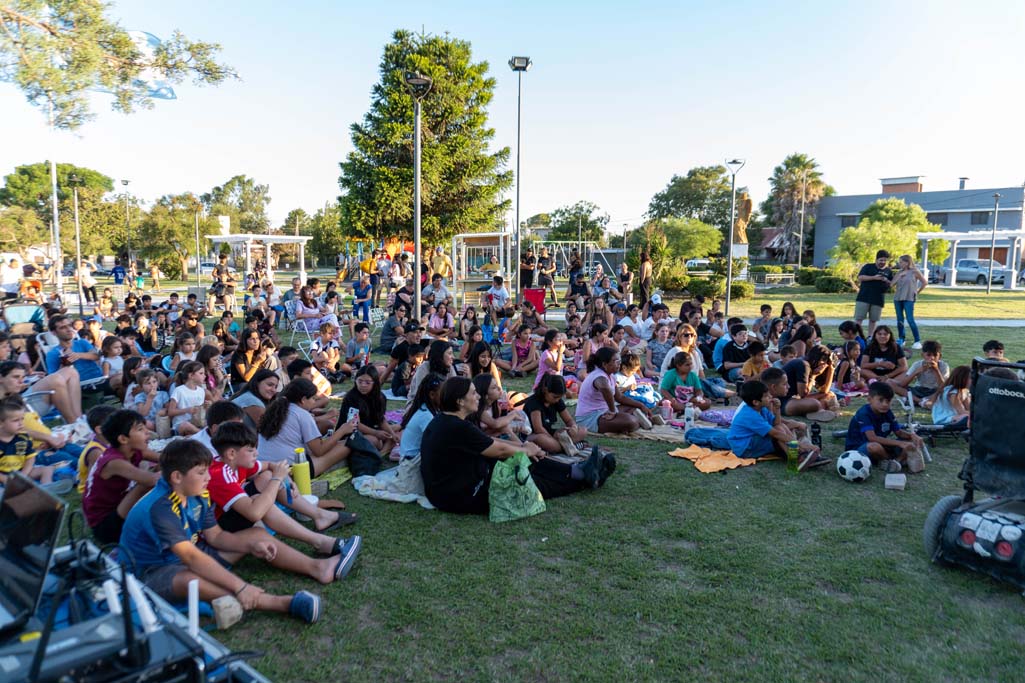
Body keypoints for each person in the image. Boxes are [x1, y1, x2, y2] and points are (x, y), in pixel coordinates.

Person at [119, 439, 335, 628]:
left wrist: (249, 546)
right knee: (189, 581)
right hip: (150, 572)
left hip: (191, 554)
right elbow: (191, 557)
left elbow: (216, 536)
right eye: (201, 473)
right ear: (177, 476)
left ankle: (317, 567)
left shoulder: (198, 493)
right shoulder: (160, 508)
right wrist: (240, 587)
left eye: (207, 471)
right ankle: (277, 603)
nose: (207, 478)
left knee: (256, 536)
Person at [419, 377, 615, 514]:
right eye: (473, 393)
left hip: (455, 486)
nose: (478, 396)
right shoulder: (457, 427)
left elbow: (491, 442)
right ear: (460, 401)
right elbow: (499, 450)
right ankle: (582, 479)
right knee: (528, 482)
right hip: (458, 495)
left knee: (521, 460)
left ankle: (577, 471)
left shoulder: (448, 421)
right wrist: (525, 450)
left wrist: (524, 448)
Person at [208, 422, 357, 551]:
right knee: (261, 500)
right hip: (218, 530)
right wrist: (278, 478)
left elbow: (269, 465)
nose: (256, 453)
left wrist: (288, 481)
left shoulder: (234, 462)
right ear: (231, 453)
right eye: (251, 450)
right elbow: (255, 513)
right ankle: (318, 540)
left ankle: (320, 516)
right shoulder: (220, 474)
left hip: (232, 514)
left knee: (266, 477)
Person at [82, 409, 161, 543]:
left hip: (120, 506)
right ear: (123, 439)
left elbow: (165, 458)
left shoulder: (135, 451)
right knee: (145, 485)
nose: (147, 432)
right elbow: (152, 480)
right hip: (105, 526)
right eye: (140, 429)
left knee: (163, 467)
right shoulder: (114, 462)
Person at [258, 378, 355, 476]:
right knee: (348, 443)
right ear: (303, 399)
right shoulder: (302, 414)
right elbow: (319, 451)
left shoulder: (276, 409)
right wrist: (342, 430)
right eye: (313, 398)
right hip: (289, 470)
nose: (314, 402)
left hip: (263, 466)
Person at [727, 380, 826, 468]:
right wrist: (800, 444)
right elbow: (775, 433)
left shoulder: (761, 409)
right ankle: (796, 458)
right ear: (756, 402)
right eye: (766, 396)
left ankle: (799, 453)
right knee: (779, 433)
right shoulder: (749, 415)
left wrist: (777, 409)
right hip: (745, 448)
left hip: (753, 441)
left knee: (781, 427)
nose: (770, 397)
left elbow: (776, 423)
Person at [844, 381, 925, 473]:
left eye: (888, 401)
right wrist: (899, 443)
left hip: (881, 446)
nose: (885, 404)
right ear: (869, 399)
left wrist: (912, 436)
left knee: (911, 441)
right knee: (874, 446)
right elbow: (872, 438)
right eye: (881, 400)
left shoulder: (887, 412)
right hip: (859, 448)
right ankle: (890, 461)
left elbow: (899, 432)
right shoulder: (864, 414)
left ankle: (897, 461)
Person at [575, 347, 649, 433]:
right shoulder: (599, 376)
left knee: (634, 408)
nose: (619, 364)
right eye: (615, 361)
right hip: (590, 417)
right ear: (604, 364)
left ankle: (632, 421)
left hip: (604, 410)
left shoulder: (611, 376)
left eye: (619, 361)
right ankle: (634, 422)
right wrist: (612, 410)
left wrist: (641, 405)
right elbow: (605, 388)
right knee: (631, 422)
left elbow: (620, 397)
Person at [339, 366, 400, 456]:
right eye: (360, 381)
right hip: (351, 432)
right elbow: (355, 424)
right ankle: (382, 451)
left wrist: (392, 433)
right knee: (375, 440)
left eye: (367, 382)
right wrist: (376, 433)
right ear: (355, 381)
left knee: (396, 431)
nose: (363, 385)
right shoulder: (351, 398)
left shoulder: (380, 397)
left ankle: (382, 450)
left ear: (374, 383)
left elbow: (380, 419)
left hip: (371, 429)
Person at [524, 374, 587, 456]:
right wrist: (554, 438)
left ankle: (563, 447)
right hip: (533, 434)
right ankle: (567, 446)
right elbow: (538, 429)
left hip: (549, 433)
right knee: (544, 441)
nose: (557, 400)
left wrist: (573, 427)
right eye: (555, 397)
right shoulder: (534, 402)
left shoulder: (557, 401)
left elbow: (568, 420)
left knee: (583, 430)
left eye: (559, 398)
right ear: (545, 390)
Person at [887, 340, 949, 407]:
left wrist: (936, 370)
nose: (932, 358)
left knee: (948, 391)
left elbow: (944, 387)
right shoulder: (917, 364)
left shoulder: (944, 366)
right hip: (919, 390)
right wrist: (917, 371)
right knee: (889, 382)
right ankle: (920, 401)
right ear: (922, 355)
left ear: (940, 356)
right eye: (928, 355)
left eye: (935, 355)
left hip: (934, 392)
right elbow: (903, 384)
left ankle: (916, 400)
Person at [781, 345, 837, 417]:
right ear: (816, 357)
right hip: (783, 403)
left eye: (826, 362)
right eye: (823, 360)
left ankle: (816, 411)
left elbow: (825, 390)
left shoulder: (808, 365)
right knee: (815, 403)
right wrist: (813, 376)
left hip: (793, 400)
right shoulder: (804, 365)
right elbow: (803, 394)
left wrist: (831, 369)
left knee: (829, 394)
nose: (823, 364)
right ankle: (815, 411)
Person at [398, 373, 443, 459]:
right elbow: (436, 443)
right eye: (442, 393)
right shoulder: (426, 416)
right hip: (410, 462)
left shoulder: (427, 409)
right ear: (432, 395)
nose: (445, 395)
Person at [891, 254, 927, 348]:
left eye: (901, 262)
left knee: (910, 319)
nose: (900, 264)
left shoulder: (915, 271)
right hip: (898, 298)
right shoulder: (899, 272)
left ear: (907, 262)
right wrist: (899, 276)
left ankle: (917, 340)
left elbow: (924, 282)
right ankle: (901, 339)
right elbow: (891, 284)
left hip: (909, 298)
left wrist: (917, 292)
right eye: (899, 262)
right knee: (900, 320)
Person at [855, 249, 893, 337]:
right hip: (864, 297)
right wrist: (874, 277)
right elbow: (860, 277)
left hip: (878, 299)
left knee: (873, 320)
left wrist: (886, 280)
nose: (883, 262)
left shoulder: (888, 271)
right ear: (876, 259)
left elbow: (891, 283)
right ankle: (856, 336)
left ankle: (870, 337)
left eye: (885, 260)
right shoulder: (868, 267)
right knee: (859, 319)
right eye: (881, 260)